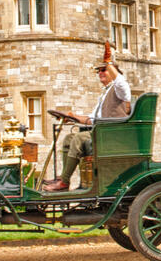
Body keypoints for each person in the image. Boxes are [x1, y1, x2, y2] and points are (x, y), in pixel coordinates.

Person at [42, 42, 132, 192]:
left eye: (104, 70)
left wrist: (108, 62)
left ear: (114, 72)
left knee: (79, 138)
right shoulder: (104, 94)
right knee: (68, 139)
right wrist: (71, 116)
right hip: (101, 133)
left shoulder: (120, 90)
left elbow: (120, 81)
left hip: (113, 136)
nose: (100, 73)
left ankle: (63, 183)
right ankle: (64, 179)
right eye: (99, 71)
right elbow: (92, 119)